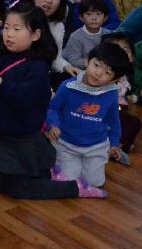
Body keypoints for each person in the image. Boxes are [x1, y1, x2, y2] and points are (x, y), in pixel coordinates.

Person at [0, 1, 108, 200]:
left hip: (21, 138)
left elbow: (21, 100)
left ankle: (75, 188)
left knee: (19, 189)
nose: (8, 34)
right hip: (0, 135)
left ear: (36, 35)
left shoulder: (37, 67)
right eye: (6, 28)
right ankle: (46, 171)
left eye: (17, 29)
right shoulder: (2, 56)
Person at [46, 42, 130, 188]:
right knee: (67, 181)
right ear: (87, 61)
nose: (98, 73)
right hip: (66, 143)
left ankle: (91, 163)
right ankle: (58, 163)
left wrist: (115, 143)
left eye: (107, 73)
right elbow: (53, 109)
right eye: (96, 65)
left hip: (96, 146)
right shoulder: (68, 86)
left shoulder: (110, 94)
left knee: (95, 182)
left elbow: (114, 121)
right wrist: (53, 124)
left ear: (114, 80)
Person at [63, 0, 111, 70]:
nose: (94, 18)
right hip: (80, 72)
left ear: (105, 18)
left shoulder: (109, 35)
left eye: (98, 14)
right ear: (81, 17)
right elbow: (73, 61)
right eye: (88, 14)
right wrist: (94, 63)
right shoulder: (76, 37)